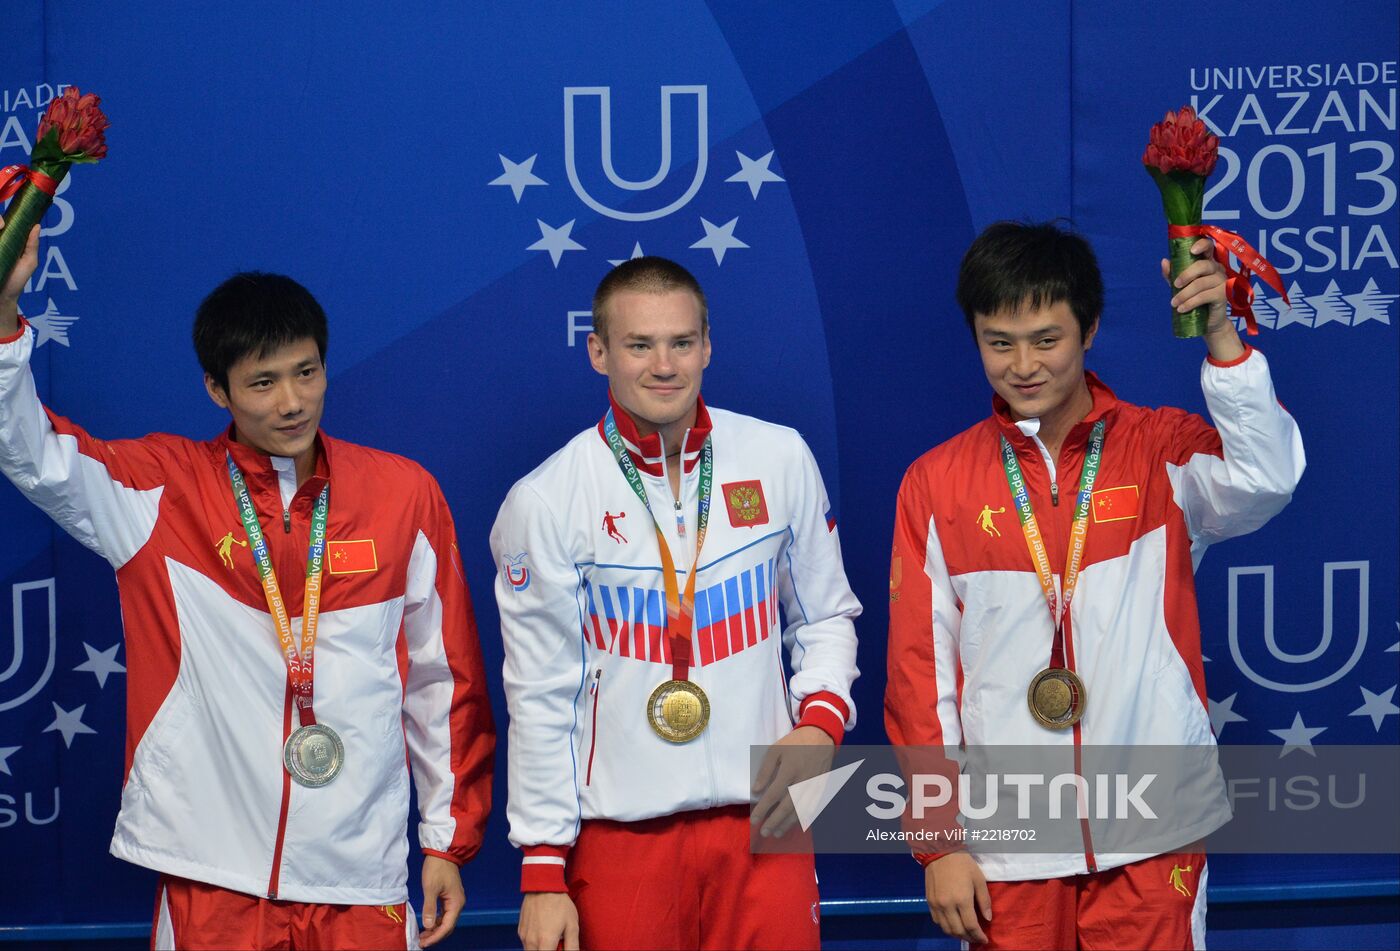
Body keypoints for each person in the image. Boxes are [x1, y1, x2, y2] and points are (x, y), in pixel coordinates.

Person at [0, 219, 495, 951]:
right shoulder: (160, 490)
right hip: (211, 874)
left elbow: (443, 678)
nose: (292, 401)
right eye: (262, 382)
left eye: (307, 371)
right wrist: (5, 320)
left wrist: (446, 841)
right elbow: (32, 454)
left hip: (360, 876)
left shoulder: (404, 493)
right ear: (216, 388)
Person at [885, 221, 1304, 949]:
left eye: (1046, 338)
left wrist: (1223, 341)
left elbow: (1268, 478)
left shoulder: (1159, 449)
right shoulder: (936, 481)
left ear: (1090, 329)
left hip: (1155, 829)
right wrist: (939, 839)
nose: (1023, 364)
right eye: (999, 341)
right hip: (1006, 843)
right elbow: (920, 680)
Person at [491, 256, 861, 950]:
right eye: (639, 345)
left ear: (708, 345)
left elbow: (826, 615)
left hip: (768, 821)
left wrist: (819, 725)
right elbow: (538, 694)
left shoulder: (778, 458)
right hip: (621, 839)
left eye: (681, 342)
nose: (664, 365)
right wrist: (542, 871)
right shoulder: (545, 500)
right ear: (598, 350)